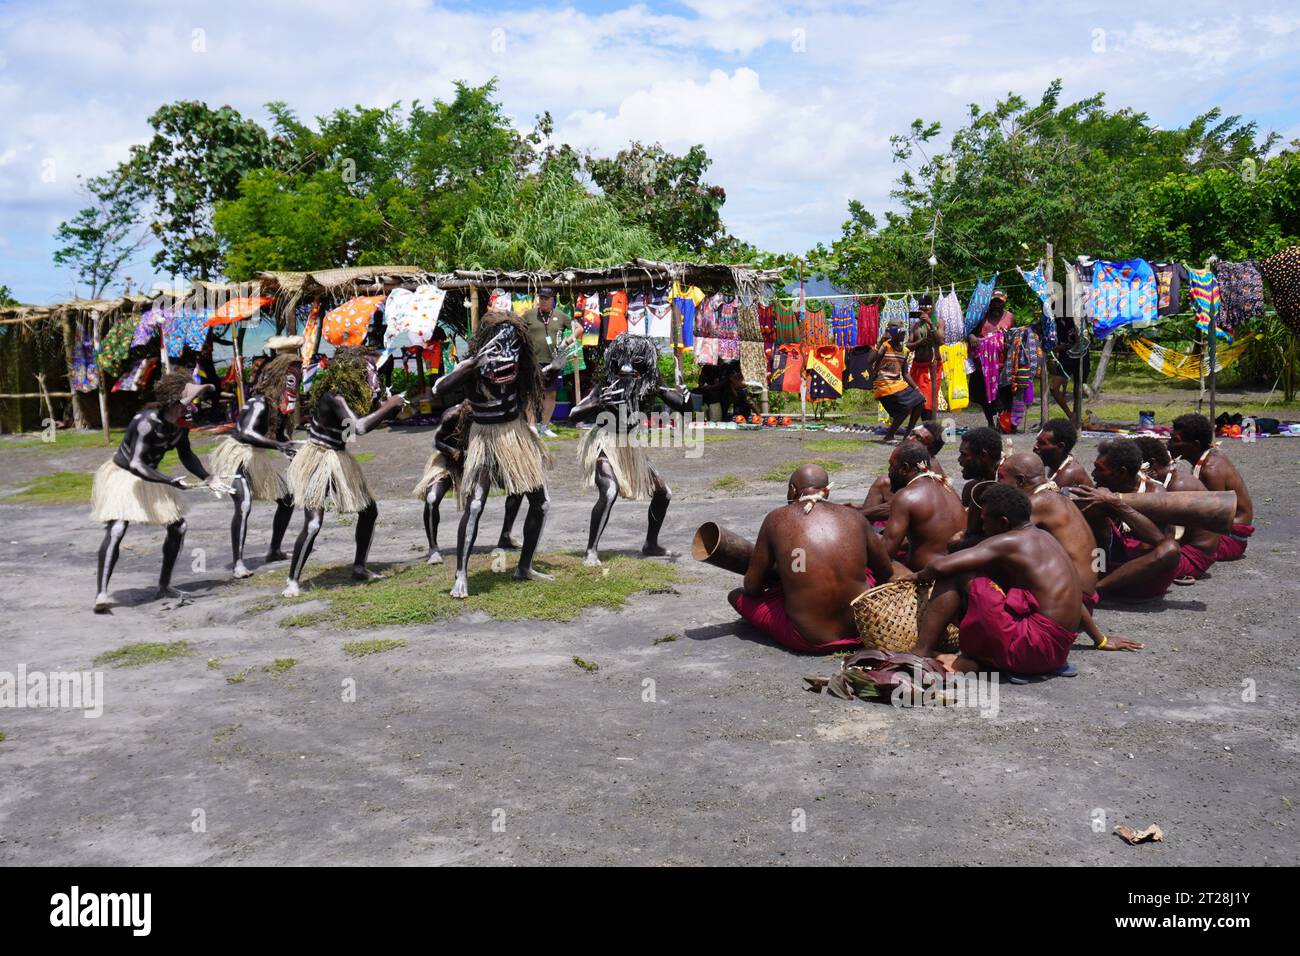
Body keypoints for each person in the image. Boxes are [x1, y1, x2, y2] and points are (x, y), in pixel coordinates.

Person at [430, 310, 576, 598]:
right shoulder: (472, 369)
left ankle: (525, 567)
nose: (505, 357)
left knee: (541, 504)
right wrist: (473, 363)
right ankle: (461, 575)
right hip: (485, 439)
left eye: (512, 348)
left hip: (515, 436)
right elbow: (439, 388)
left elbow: (538, 378)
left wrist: (554, 368)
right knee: (475, 505)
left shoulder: (520, 367)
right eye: (498, 349)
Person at [909, 483, 1081, 675]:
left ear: (1003, 523)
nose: (983, 527)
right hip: (1057, 654)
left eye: (984, 521)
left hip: (1032, 650)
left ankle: (920, 652)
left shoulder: (1011, 541)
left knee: (955, 573)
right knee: (984, 578)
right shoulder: (1044, 536)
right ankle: (979, 656)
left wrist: (918, 577)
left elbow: (939, 566)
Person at [727, 464, 895, 653]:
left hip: (808, 639)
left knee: (737, 596)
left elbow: (752, 587)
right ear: (827, 491)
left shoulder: (776, 519)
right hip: (863, 631)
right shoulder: (854, 517)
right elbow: (885, 572)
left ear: (793, 490)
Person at [91, 370, 218, 613]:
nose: (191, 407)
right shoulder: (146, 422)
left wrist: (207, 477)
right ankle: (101, 594)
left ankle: (164, 585)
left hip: (152, 476)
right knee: (117, 528)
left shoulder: (180, 425)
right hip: (125, 475)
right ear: (173, 402)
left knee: (178, 526)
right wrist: (170, 481)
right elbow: (136, 464)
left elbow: (186, 454)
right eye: (188, 402)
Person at [282, 349, 405, 598]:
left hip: (338, 458)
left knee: (369, 511)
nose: (371, 376)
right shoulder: (334, 396)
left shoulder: (348, 397)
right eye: (366, 371)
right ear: (351, 371)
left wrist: (390, 410)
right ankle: (292, 580)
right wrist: (389, 406)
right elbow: (358, 427)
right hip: (317, 458)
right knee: (314, 523)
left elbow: (348, 433)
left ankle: (359, 567)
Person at [996, 452, 1143, 651]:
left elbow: (995, 542)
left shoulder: (1039, 503)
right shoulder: (1052, 496)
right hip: (1080, 599)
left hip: (1072, 603)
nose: (998, 483)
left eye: (1001, 478)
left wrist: (1100, 639)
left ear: (1020, 481)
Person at [568, 333, 691, 565]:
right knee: (609, 491)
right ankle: (591, 551)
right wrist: (598, 403)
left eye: (635, 362)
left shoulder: (649, 385)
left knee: (663, 493)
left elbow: (685, 408)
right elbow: (573, 414)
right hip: (604, 443)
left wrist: (686, 395)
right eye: (623, 362)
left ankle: (650, 544)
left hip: (630, 445)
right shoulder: (605, 386)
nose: (627, 368)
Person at [208, 352, 301, 578]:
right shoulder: (259, 402)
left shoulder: (279, 408)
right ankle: (238, 563)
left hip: (256, 458)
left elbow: (279, 437)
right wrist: (278, 445)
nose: (294, 384)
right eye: (291, 378)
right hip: (237, 455)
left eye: (297, 379)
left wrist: (292, 451)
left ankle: (274, 550)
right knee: (244, 503)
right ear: (280, 377)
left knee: (287, 500)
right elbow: (245, 433)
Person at [411, 400, 524, 565]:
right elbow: (436, 441)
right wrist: (452, 451)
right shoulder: (451, 416)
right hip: (448, 462)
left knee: (519, 486)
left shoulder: (488, 418)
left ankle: (505, 536)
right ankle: (433, 549)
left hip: (478, 462)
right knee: (431, 499)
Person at [1069, 438, 1180, 602]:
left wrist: (1116, 505)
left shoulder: (1156, 494)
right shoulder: (1105, 489)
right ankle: (1094, 576)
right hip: (1107, 563)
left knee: (1171, 549)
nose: (1093, 474)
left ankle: (1096, 590)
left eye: (1100, 469)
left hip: (1143, 575)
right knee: (1093, 513)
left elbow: (1159, 540)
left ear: (1122, 472)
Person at [1134, 436, 1220, 584]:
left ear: (1151, 464)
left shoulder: (1178, 486)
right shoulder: (1170, 479)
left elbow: (1168, 537)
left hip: (1194, 556)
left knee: (1129, 562)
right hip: (1183, 546)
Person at [1168, 413, 1253, 562]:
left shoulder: (1210, 470)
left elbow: (1213, 516)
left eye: (1175, 440)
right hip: (1220, 531)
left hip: (1230, 540)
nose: (1169, 444)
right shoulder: (1206, 458)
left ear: (1195, 444)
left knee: (1162, 546)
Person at [878, 440, 966, 571]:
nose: (889, 472)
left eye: (891, 466)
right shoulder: (947, 488)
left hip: (927, 575)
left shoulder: (906, 496)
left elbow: (885, 553)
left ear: (905, 468)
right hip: (958, 568)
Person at [857, 420, 950, 522]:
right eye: (912, 434)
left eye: (918, 439)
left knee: (882, 482)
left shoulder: (930, 470)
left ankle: (861, 523)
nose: (910, 439)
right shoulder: (916, 460)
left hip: (922, 524)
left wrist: (857, 515)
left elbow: (902, 505)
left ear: (929, 449)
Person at [868, 322, 926, 442]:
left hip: (896, 384)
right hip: (883, 383)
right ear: (894, 335)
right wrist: (879, 344)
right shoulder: (885, 346)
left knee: (920, 400)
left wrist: (916, 388)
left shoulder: (904, 351)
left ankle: (906, 433)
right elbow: (870, 361)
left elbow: (905, 373)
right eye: (901, 333)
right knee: (905, 407)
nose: (903, 336)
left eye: (904, 333)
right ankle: (890, 436)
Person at [967, 290, 1013, 429]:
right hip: (984, 365)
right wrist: (971, 337)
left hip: (1003, 364)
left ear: (1004, 302)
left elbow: (1013, 335)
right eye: (994, 302)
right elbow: (968, 332)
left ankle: (1004, 422)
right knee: (985, 396)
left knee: (1004, 395)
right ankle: (990, 423)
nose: (996, 305)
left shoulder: (1010, 317)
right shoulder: (981, 317)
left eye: (999, 302)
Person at [521, 288, 562, 437]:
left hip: (553, 361)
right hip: (533, 361)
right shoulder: (529, 314)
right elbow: (518, 328)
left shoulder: (560, 315)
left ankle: (545, 427)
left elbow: (578, 328)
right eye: (541, 298)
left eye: (546, 298)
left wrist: (567, 341)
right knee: (531, 393)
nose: (543, 301)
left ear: (552, 300)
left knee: (551, 394)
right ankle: (531, 425)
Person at [954, 425, 1004, 542]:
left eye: (964, 454)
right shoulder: (972, 489)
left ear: (983, 456)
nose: (959, 460)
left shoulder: (1007, 486)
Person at [1034, 417, 1093, 490]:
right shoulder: (1058, 465)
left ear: (1060, 447)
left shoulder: (1069, 472)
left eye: (1042, 443)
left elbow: (1040, 494)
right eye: (1037, 441)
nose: (1035, 446)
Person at [905, 297, 942, 411]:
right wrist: (919, 343)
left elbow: (941, 341)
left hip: (932, 367)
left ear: (932, 310)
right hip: (917, 367)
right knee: (917, 401)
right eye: (921, 310)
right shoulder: (916, 326)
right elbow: (907, 346)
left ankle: (929, 421)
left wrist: (930, 324)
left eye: (926, 310)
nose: (923, 313)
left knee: (929, 401)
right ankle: (920, 421)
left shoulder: (938, 323)